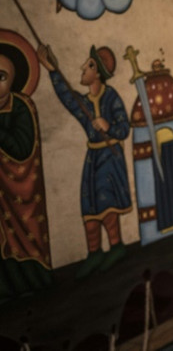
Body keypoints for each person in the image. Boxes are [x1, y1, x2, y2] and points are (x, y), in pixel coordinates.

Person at [37, 44, 132, 278]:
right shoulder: (84, 103)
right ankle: (94, 253)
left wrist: (109, 126)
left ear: (98, 72)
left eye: (89, 65)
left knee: (107, 204)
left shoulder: (110, 97)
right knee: (89, 206)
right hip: (93, 157)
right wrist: (52, 69)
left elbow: (124, 127)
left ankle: (116, 246)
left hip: (110, 157)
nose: (83, 68)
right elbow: (68, 98)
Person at [0, 33, 52, 302]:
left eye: (1, 77)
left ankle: (32, 281)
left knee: (22, 239)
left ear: (13, 79)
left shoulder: (22, 106)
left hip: (20, 192)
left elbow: (22, 149)